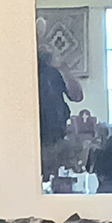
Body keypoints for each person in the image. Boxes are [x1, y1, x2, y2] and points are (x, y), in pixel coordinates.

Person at [37, 20, 83, 178]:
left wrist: (64, 68)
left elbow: (77, 96)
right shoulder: (29, 74)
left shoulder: (55, 74)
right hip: (36, 137)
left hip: (56, 137)